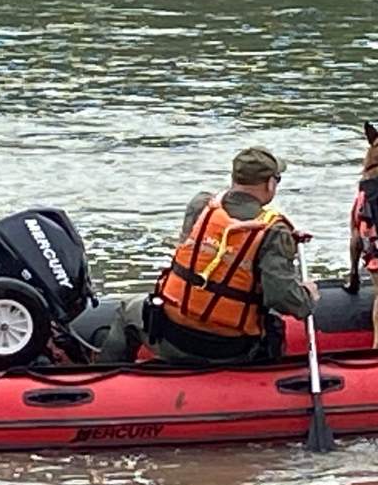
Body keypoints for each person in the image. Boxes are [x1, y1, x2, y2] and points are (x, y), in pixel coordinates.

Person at [97, 147, 319, 364]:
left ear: (233, 177)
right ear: (271, 183)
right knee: (273, 326)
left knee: (127, 309)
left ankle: (104, 375)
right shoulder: (273, 232)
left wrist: (283, 240)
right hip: (227, 348)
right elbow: (282, 298)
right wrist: (307, 296)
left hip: (171, 334)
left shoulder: (201, 206)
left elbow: (207, 251)